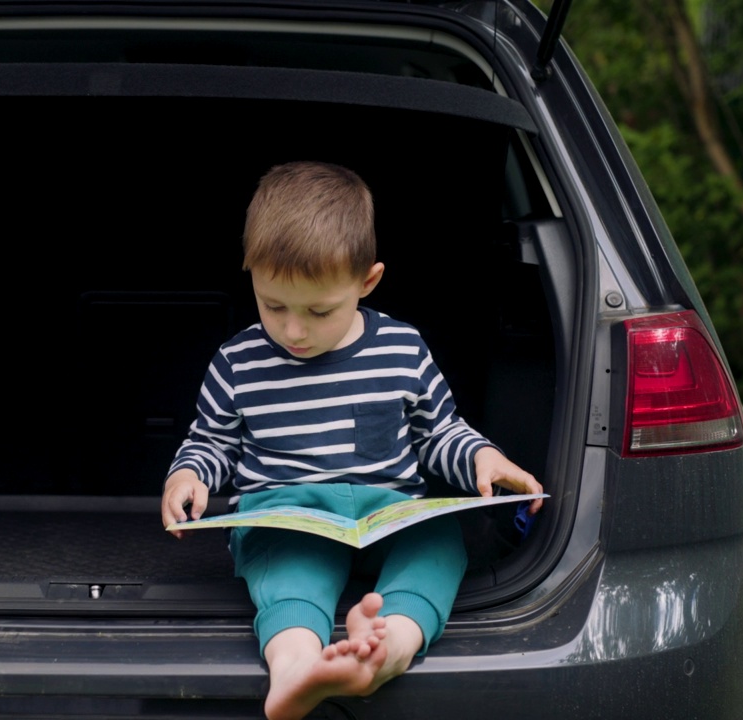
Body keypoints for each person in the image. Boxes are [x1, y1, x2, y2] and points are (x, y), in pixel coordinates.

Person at [160, 161, 542, 720]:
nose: (293, 330)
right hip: (286, 514)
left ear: (367, 282)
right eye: (273, 306)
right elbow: (212, 441)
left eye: (319, 311)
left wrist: (483, 457)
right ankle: (294, 669)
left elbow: (438, 433)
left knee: (439, 542)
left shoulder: (402, 350)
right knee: (287, 568)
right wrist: (188, 474)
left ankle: (391, 646)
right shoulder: (237, 362)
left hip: (388, 514)